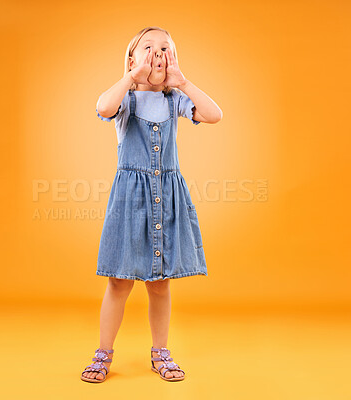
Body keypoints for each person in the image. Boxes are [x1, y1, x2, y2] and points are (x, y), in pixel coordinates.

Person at [81, 26, 223, 383]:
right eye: (148, 47)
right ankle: (103, 351)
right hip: (130, 202)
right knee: (118, 282)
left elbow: (214, 114)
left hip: (167, 199)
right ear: (132, 59)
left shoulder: (174, 100)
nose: (157, 53)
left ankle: (160, 351)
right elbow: (102, 106)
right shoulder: (125, 100)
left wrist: (183, 82)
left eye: (165, 48)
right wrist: (131, 77)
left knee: (160, 283)